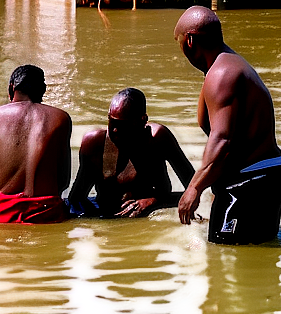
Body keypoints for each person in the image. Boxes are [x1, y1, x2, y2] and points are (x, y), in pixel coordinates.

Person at [173, 6, 281, 244]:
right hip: (262, 176)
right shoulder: (223, 67)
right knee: (256, 264)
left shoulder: (222, 73)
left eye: (180, 43)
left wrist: (194, 189)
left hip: (251, 181)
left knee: (224, 266)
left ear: (190, 40)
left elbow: (222, 139)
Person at [0, 65, 72, 224]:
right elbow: (63, 181)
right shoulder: (61, 119)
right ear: (43, 90)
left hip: (2, 214)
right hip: (48, 212)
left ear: (11, 88)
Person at [68, 87, 195, 218]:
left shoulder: (157, 139)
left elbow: (195, 188)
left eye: (123, 125)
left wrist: (154, 202)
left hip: (150, 219)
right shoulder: (94, 142)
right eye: (112, 122)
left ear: (143, 120)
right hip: (107, 219)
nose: (116, 131)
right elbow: (77, 198)